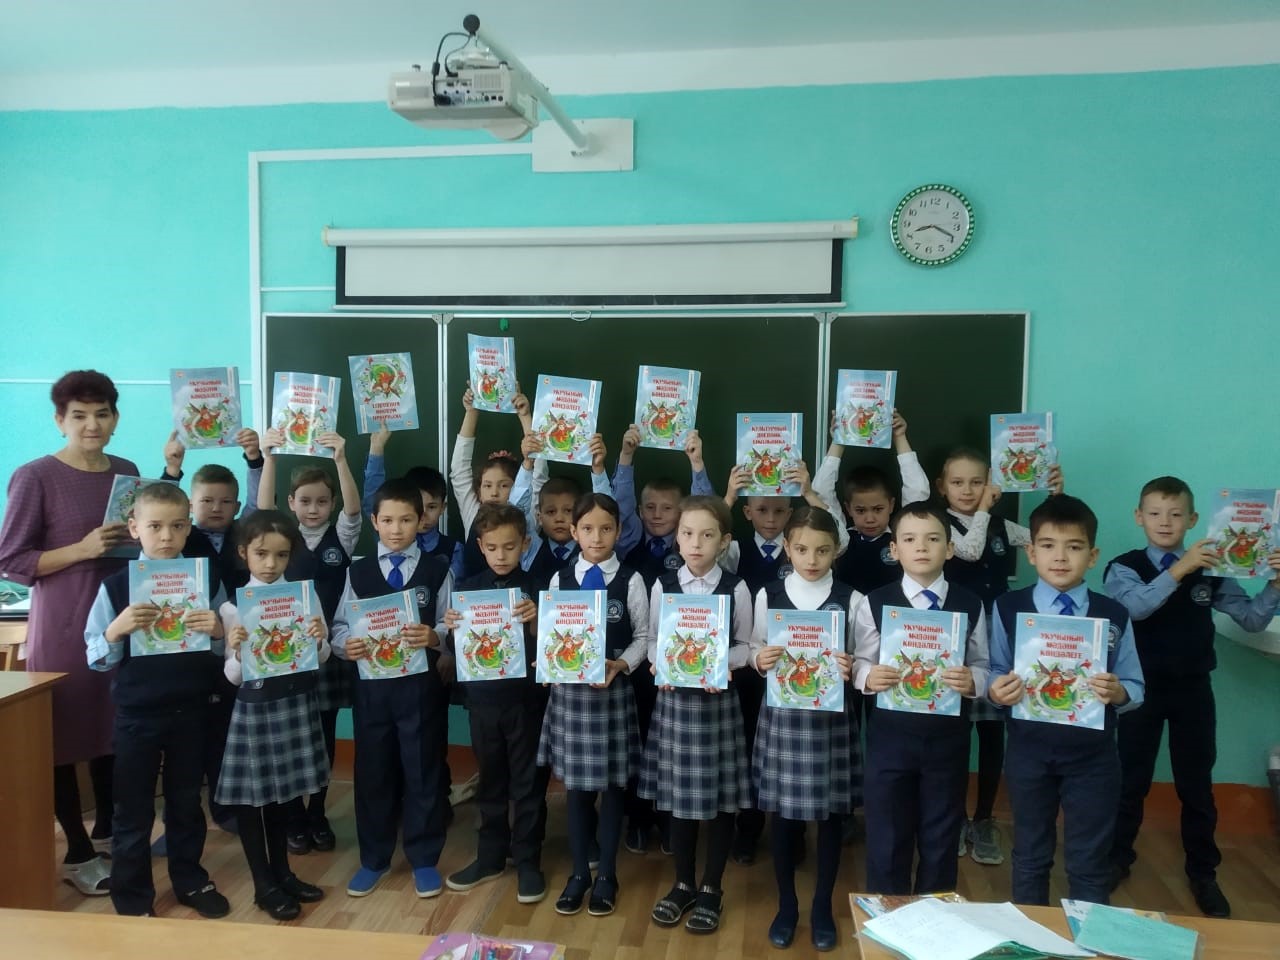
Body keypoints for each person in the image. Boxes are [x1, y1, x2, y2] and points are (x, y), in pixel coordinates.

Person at [1105, 476, 1280, 918]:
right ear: (1139, 517)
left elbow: (1252, 620)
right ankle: (1116, 860)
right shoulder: (1123, 567)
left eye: (1176, 514)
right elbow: (1136, 607)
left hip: (1193, 691)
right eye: (1155, 513)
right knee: (1130, 781)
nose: (1165, 522)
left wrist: (1276, 585)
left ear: (1194, 519)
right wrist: (1180, 569)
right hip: (1139, 690)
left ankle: (1203, 873)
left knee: (1196, 786)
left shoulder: (1213, 569)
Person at [0, 370, 137, 897]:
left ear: (116, 418)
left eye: (102, 413)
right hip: (63, 623)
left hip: (119, 618)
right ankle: (77, 851)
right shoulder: (34, 476)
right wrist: (82, 549)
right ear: (60, 420)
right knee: (60, 734)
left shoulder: (126, 472)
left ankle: (107, 833)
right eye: (78, 415)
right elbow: (13, 560)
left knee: (113, 727)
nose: (91, 424)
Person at [987, 494, 1144, 906]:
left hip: (1093, 759)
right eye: (1048, 545)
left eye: (1074, 547)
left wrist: (1119, 692)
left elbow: (1135, 684)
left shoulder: (1113, 615)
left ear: (1092, 556)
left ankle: (1089, 938)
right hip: (1028, 753)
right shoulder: (1008, 607)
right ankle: (1032, 936)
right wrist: (995, 689)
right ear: (1031, 553)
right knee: (1029, 856)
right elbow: (994, 670)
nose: (1060, 557)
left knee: (1090, 863)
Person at [83, 482, 230, 918]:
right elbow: (96, 656)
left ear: (188, 528)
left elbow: (229, 648)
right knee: (132, 809)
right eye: (155, 526)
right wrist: (117, 629)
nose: (167, 536)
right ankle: (132, 898)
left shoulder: (207, 580)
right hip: (137, 714)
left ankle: (190, 880)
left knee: (186, 802)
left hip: (192, 710)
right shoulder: (115, 587)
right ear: (134, 528)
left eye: (177, 526)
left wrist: (219, 632)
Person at [936, 447, 1063, 866]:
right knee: (954, 734)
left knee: (992, 733)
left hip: (999, 639)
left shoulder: (998, 525)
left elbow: (1041, 540)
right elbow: (970, 551)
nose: (968, 490)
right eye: (958, 482)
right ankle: (954, 817)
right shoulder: (939, 527)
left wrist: (1054, 499)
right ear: (942, 487)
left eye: (977, 482)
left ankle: (984, 818)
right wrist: (986, 510)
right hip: (954, 640)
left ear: (991, 481)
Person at [852, 502, 988, 894]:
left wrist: (973, 681)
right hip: (889, 740)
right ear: (895, 549)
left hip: (948, 741)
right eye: (910, 539)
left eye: (933, 539)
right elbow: (860, 660)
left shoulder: (970, 603)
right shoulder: (874, 602)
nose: (922, 547)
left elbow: (982, 664)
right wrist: (867, 675)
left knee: (941, 836)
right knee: (887, 837)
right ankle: (889, 915)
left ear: (950, 548)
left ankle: (933, 916)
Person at [722, 458, 849, 865]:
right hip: (753, 667)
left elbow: (832, 534)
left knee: (802, 762)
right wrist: (729, 495)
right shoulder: (737, 549)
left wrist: (810, 492)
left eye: (780, 511)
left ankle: (795, 836)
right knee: (751, 749)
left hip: (803, 678)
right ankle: (749, 828)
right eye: (761, 509)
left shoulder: (808, 550)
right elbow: (709, 537)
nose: (771, 518)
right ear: (747, 512)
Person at [330, 478, 452, 899]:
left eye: (406, 520)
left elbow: (451, 624)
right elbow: (339, 626)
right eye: (388, 520)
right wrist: (345, 645)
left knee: (423, 770)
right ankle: (374, 858)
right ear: (373, 522)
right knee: (373, 771)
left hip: (420, 689)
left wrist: (434, 637)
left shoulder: (438, 570)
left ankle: (424, 858)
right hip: (372, 692)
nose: (396, 529)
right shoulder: (358, 571)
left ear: (421, 521)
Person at [748, 506, 861, 951]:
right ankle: (787, 906)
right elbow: (755, 646)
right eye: (801, 549)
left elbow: (866, 657)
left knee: (830, 818)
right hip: (783, 719)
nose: (811, 559)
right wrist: (759, 659)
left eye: (822, 550)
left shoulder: (852, 598)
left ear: (836, 550)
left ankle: (821, 908)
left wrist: (853, 666)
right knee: (783, 817)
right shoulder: (769, 594)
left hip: (830, 720)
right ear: (787, 548)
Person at [640, 495, 753, 935]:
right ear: (677, 537)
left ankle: (712, 887)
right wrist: (660, 664)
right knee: (680, 799)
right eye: (687, 533)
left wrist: (720, 666)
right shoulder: (664, 585)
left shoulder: (736, 588)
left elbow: (746, 646)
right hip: (676, 704)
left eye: (707, 535)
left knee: (721, 800)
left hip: (717, 704)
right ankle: (683, 883)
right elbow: (653, 640)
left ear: (724, 541)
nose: (695, 543)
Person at [536, 493, 648, 918]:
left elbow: (645, 637)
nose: (596, 537)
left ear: (619, 532)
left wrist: (622, 664)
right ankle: (580, 872)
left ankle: (608, 876)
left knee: (614, 787)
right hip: (570, 697)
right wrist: (547, 659)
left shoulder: (631, 580)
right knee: (577, 790)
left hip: (611, 692)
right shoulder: (560, 579)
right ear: (573, 532)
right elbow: (551, 635)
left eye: (606, 529)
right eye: (587, 529)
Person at [216, 510, 329, 920]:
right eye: (261, 554)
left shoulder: (304, 597)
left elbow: (321, 657)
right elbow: (232, 677)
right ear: (244, 552)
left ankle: (283, 872)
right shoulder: (233, 607)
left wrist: (319, 640)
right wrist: (238, 650)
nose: (270, 564)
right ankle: (263, 883)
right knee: (253, 799)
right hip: (256, 708)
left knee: (285, 795)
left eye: (281, 555)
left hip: (295, 702)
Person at [259, 427, 362, 854]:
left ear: (332, 503)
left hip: (329, 650)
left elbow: (355, 509)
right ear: (291, 504)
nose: (314, 508)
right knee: (291, 736)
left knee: (323, 733)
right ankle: (293, 818)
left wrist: (340, 459)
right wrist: (269, 458)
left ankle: (317, 811)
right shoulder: (281, 538)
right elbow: (261, 510)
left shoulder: (343, 536)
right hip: (288, 652)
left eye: (322, 501)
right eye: (305, 501)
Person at [610, 426, 712, 853]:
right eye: (649, 507)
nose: (656, 515)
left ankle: (671, 820)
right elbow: (619, 503)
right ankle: (637, 819)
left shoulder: (691, 548)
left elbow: (706, 509)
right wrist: (625, 458)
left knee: (671, 746)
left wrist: (696, 464)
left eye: (667, 508)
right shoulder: (628, 541)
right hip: (637, 663)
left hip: (680, 666)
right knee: (636, 741)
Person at [160, 427, 264, 842]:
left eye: (225, 502)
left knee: (226, 734)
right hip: (189, 653)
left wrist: (254, 460)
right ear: (190, 505)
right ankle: (181, 820)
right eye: (206, 501)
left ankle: (227, 808)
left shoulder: (244, 534)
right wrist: (172, 470)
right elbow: (158, 510)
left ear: (236, 507)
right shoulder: (182, 538)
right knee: (186, 742)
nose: (216, 508)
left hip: (237, 649)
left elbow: (259, 503)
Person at [442, 503, 549, 905]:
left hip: (526, 703)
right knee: (490, 782)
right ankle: (489, 857)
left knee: (528, 785)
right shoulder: (468, 588)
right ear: (480, 546)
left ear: (525, 544)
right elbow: (457, 646)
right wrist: (453, 628)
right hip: (483, 701)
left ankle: (528, 860)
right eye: (492, 548)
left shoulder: (539, 588)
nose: (501, 555)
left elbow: (554, 645)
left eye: (510, 547)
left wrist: (537, 620)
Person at [812, 410, 929, 594]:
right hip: (846, 609)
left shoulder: (902, 536)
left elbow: (918, 491)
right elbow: (821, 492)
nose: (870, 518)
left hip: (891, 611)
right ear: (848, 509)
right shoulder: (842, 537)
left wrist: (899, 437)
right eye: (860, 510)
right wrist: (838, 440)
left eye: (878, 509)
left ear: (891, 505)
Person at [450, 383, 537, 580]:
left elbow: (538, 474)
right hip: (479, 597)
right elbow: (459, 471)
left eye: (504, 485)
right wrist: (472, 411)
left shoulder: (527, 516)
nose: (494, 493)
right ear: (478, 491)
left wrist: (525, 416)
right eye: (487, 486)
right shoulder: (473, 513)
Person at [511, 433, 613, 589]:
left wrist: (598, 468)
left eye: (568, 511)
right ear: (539, 517)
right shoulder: (531, 546)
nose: (559, 518)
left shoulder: (592, 547)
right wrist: (528, 463)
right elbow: (515, 514)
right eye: (551, 512)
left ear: (580, 516)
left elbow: (607, 515)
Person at [361, 424, 464, 578]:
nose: (423, 514)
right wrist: (376, 448)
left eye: (432, 507)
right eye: (418, 506)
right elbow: (373, 498)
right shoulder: (391, 536)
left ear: (443, 508)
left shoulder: (453, 550)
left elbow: (454, 588)